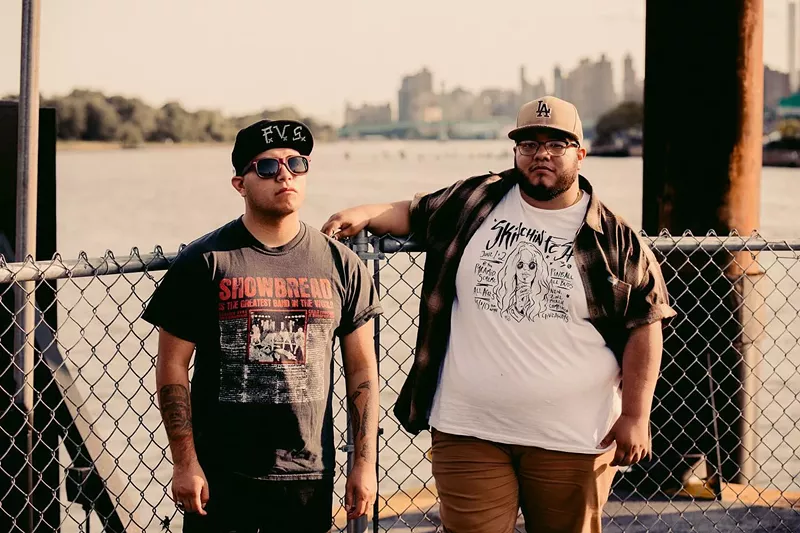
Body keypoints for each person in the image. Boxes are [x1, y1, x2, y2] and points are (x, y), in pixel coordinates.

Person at [322, 96, 677, 533]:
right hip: (468, 429)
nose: (541, 154)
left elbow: (645, 324)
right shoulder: (477, 199)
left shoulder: (614, 238)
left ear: (580, 154)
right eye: (528, 144)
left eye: (556, 144)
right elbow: (412, 213)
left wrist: (636, 417)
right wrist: (364, 213)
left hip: (575, 438)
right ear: (515, 151)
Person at [143, 119, 383, 532]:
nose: (285, 174)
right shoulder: (206, 261)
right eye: (268, 167)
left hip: (308, 476)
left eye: (296, 163)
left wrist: (364, 466)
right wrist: (185, 463)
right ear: (240, 184)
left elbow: (362, 370)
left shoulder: (342, 264)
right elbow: (171, 367)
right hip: (221, 477)